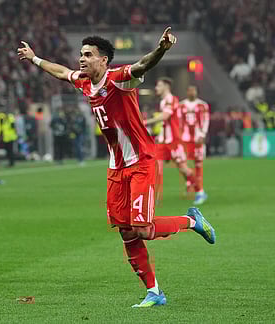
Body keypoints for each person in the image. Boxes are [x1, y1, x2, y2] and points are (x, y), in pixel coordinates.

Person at [17, 27, 216, 307]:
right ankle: (154, 292)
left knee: (143, 229)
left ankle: (192, 221)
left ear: (104, 60)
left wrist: (161, 49)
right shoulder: (85, 82)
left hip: (141, 162)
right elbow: (61, 72)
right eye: (81, 54)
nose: (82, 59)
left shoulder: (120, 80)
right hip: (116, 167)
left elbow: (142, 64)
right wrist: (36, 59)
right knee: (126, 231)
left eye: (88, 55)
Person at [145, 78, 196, 197]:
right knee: (156, 165)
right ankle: (154, 194)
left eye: (159, 86)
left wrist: (146, 122)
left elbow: (165, 116)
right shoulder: (163, 101)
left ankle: (195, 187)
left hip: (174, 140)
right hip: (164, 140)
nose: (156, 88)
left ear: (166, 87)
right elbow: (165, 122)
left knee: (182, 167)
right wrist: (160, 135)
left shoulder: (171, 99)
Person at [179, 85, 210, 205]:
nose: (192, 92)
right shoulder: (181, 105)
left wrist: (203, 134)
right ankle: (190, 184)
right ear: (187, 92)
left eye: (194, 90)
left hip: (197, 139)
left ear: (197, 91)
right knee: (183, 164)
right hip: (185, 139)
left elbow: (206, 120)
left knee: (198, 164)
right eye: (190, 90)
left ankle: (199, 190)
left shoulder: (203, 105)